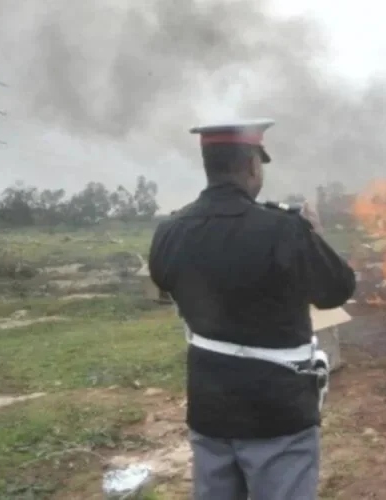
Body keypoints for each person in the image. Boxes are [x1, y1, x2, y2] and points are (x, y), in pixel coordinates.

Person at [148, 119, 356, 500]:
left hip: (209, 409)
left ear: (209, 164)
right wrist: (315, 235)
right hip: (276, 412)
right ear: (251, 164)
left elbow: (166, 285)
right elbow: (336, 290)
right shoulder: (283, 230)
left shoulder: (170, 231)